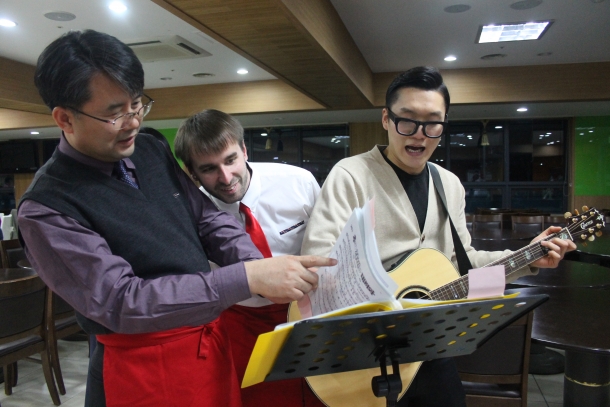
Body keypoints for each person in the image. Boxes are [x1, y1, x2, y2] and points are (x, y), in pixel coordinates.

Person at [18, 29, 335, 407]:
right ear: (65, 119)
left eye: (137, 104)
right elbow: (122, 301)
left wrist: (255, 265)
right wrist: (248, 277)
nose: (132, 122)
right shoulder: (46, 208)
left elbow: (205, 219)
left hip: (209, 341)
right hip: (146, 362)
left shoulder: (150, 148)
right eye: (115, 113)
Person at [301, 66, 576, 407]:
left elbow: (463, 265)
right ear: (386, 119)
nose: (419, 135)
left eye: (432, 123)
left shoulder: (449, 184)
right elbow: (321, 263)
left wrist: (529, 256)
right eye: (407, 121)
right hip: (365, 348)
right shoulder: (350, 175)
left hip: (431, 346)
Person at [174, 109, 326, 406]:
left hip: (307, 311)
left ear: (244, 150)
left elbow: (327, 243)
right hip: (239, 320)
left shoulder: (298, 182)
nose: (226, 177)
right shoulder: (190, 212)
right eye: (209, 169)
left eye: (231, 160)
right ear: (192, 173)